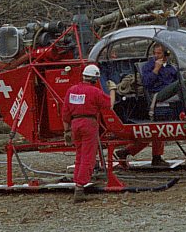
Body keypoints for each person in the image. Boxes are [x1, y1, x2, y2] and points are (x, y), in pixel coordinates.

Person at [115, 43, 178, 167]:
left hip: (173, 97)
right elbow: (146, 83)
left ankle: (126, 152)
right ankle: (155, 157)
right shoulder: (149, 66)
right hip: (157, 96)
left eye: (159, 53)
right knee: (157, 130)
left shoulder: (172, 67)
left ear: (167, 54)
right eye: (155, 53)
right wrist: (156, 69)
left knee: (156, 132)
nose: (156, 56)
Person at [62, 64, 112, 203]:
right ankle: (80, 188)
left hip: (74, 124)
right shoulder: (95, 92)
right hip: (89, 124)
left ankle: (77, 184)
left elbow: (65, 112)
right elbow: (110, 104)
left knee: (79, 155)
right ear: (95, 79)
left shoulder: (71, 90)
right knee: (88, 157)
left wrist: (66, 130)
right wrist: (113, 90)